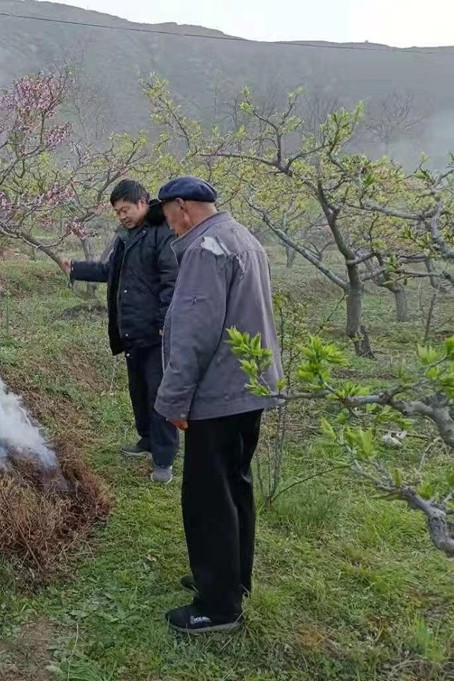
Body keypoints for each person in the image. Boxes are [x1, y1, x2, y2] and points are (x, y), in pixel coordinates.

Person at [154, 176, 282, 634]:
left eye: (167, 215)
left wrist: (174, 398)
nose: (169, 225)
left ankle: (218, 605)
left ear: (182, 206)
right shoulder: (242, 238)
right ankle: (231, 577)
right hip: (249, 386)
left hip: (219, 392)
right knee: (234, 486)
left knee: (208, 498)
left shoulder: (205, 249)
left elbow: (195, 333)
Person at [63, 179, 179, 483]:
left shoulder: (162, 233)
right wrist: (76, 268)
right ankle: (147, 440)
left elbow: (171, 281)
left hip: (155, 334)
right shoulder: (126, 237)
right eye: (117, 212)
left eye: (125, 209)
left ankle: (164, 459)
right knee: (139, 391)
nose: (122, 216)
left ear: (142, 203)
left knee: (159, 394)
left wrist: (164, 324)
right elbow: (110, 271)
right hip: (131, 330)